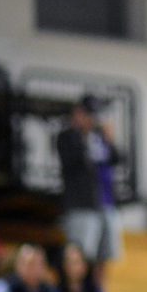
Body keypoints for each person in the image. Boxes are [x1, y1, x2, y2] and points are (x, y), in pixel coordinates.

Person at [56, 94, 123, 270]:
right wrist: (82, 135)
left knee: (105, 256)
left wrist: (110, 140)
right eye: (88, 114)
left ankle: (98, 288)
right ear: (78, 113)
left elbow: (116, 159)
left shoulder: (100, 137)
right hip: (82, 205)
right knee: (82, 255)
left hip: (105, 203)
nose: (92, 120)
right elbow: (75, 162)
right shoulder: (68, 137)